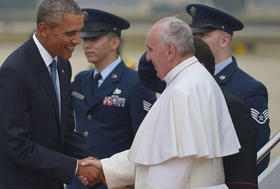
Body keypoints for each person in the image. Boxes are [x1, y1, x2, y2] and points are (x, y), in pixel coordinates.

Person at [79, 17, 241, 189]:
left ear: (170, 51)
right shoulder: (193, 80)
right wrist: (107, 167)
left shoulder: (183, 91)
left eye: (150, 50)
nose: (148, 58)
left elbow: (168, 171)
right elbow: (158, 153)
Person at [0, 0, 101, 188]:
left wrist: (97, 164)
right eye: (70, 33)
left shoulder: (62, 65)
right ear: (44, 29)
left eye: (79, 31)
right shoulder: (15, 72)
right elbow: (16, 146)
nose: (78, 40)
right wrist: (75, 167)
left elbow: (65, 131)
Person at [137, 37, 258, 188]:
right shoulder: (173, 99)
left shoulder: (229, 106)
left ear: (199, 67)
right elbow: (152, 155)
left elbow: (241, 177)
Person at [67, 8, 156, 189]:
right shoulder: (81, 80)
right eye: (85, 39)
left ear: (115, 42)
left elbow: (146, 142)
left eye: (94, 39)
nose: (87, 45)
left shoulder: (136, 83)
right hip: (79, 181)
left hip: (114, 182)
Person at [185, 3, 270, 175]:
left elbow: (259, 153)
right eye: (193, 35)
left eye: (203, 35)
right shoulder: (185, 80)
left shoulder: (249, 89)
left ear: (225, 40)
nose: (195, 41)